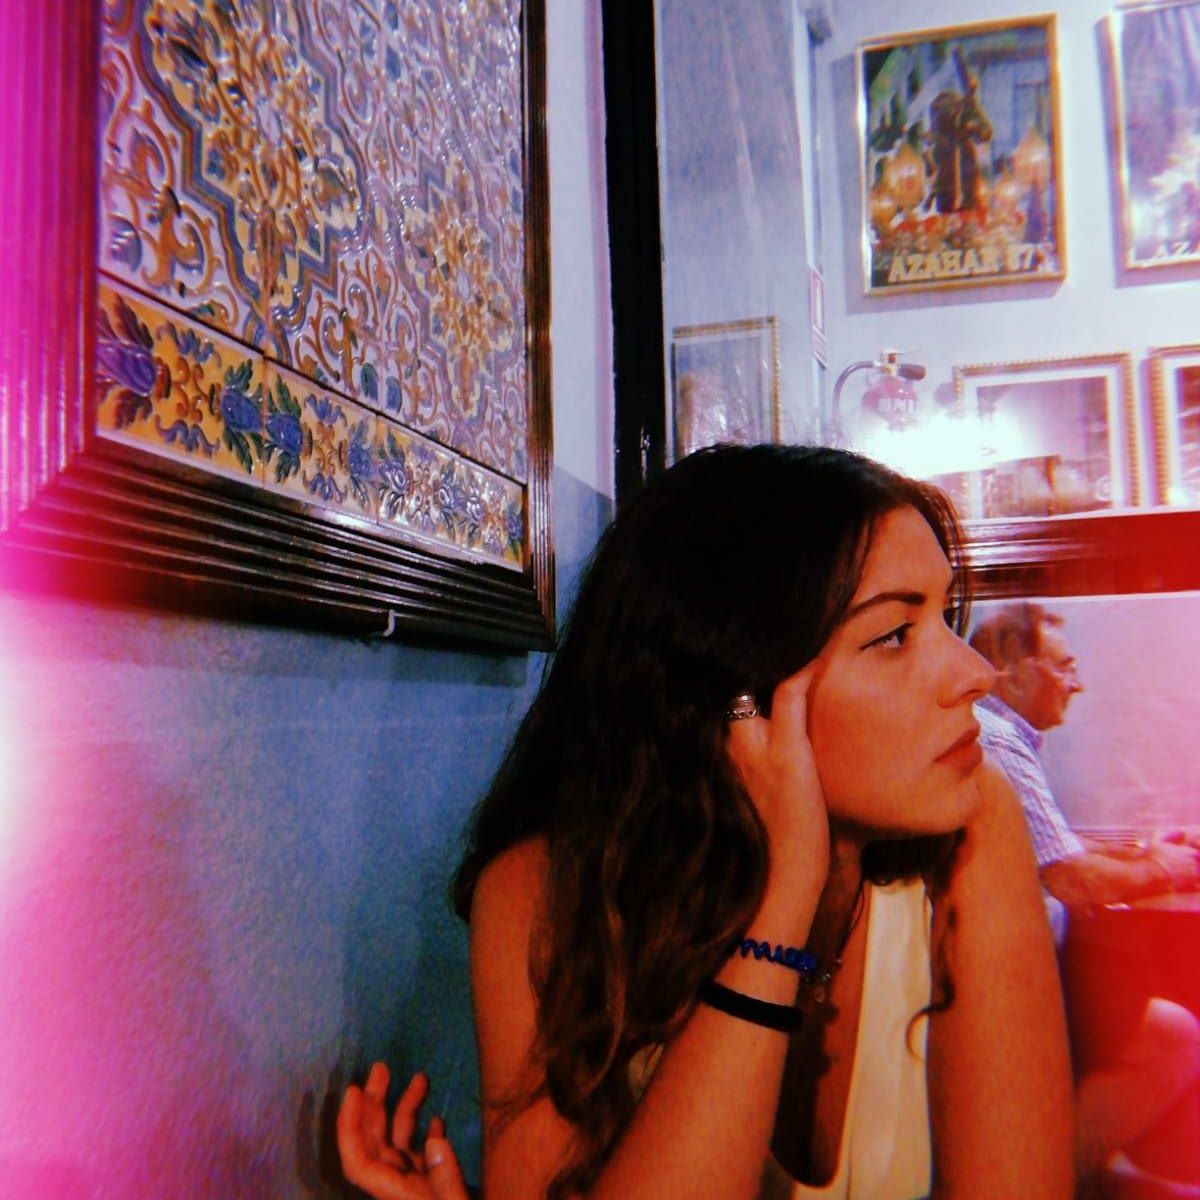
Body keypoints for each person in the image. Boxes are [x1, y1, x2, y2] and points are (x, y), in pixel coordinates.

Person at [339, 445, 1074, 1200]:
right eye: (893, 635)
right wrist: (783, 903)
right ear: (742, 697)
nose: (975, 674)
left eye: (944, 616)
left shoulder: (975, 828)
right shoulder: (546, 892)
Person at [970, 602, 1200, 1196]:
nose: (1078, 683)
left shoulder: (998, 735)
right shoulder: (998, 740)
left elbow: (1054, 846)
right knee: (1174, 1034)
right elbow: (1070, 879)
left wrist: (1145, 853)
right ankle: (1048, 1177)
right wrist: (1164, 871)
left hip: (1029, 971)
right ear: (1016, 672)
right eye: (1064, 666)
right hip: (1016, 985)